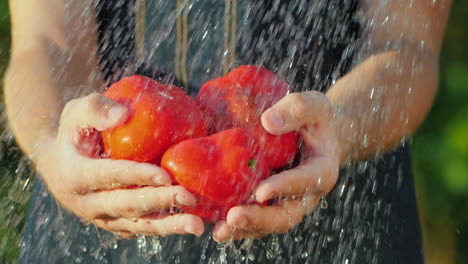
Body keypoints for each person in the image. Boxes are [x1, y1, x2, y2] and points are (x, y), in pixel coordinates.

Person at [4, 0, 451, 263]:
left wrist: (340, 125)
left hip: (334, 219)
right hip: (100, 214)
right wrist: (50, 149)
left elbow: (406, 47)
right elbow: (45, 42)